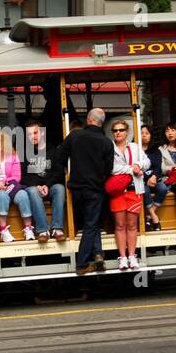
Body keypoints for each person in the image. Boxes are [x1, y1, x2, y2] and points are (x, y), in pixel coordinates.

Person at [52, 107, 113, 274]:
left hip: (76, 188)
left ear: (88, 119)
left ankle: (99, 254)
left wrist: (64, 177)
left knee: (90, 223)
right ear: (102, 123)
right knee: (91, 225)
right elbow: (109, 169)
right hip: (95, 189)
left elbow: (59, 158)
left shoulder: (75, 136)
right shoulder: (107, 142)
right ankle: (82, 264)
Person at [108, 118, 149, 271]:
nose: (118, 133)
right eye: (115, 130)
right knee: (119, 225)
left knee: (132, 225)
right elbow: (111, 168)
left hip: (134, 190)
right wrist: (132, 169)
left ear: (127, 132)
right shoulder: (109, 148)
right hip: (118, 191)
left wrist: (139, 165)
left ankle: (132, 256)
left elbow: (147, 162)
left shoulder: (135, 147)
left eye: (121, 130)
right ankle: (122, 257)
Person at [21, 120, 67, 242]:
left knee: (60, 188)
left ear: (42, 133)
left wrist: (47, 185)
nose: (32, 136)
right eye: (29, 134)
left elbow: (59, 172)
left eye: (35, 133)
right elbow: (23, 176)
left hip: (50, 186)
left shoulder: (53, 151)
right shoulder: (25, 153)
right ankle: (43, 230)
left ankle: (57, 229)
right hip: (34, 187)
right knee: (31, 191)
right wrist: (37, 186)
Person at [0, 131, 31, 243]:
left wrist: (3, 182)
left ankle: (28, 228)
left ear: (4, 144)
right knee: (2, 195)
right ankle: (3, 230)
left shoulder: (13, 157)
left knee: (23, 195)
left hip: (11, 186)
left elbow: (17, 177)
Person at [140, 124, 166, 230]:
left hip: (154, 180)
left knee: (163, 188)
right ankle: (154, 217)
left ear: (151, 135)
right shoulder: (134, 150)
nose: (144, 136)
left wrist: (154, 177)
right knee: (144, 190)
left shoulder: (156, 150)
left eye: (147, 133)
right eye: (141, 133)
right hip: (141, 181)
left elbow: (158, 167)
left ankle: (149, 215)